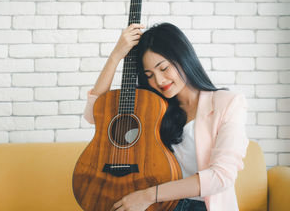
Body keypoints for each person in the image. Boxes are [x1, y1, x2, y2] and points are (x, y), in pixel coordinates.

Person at [83, 22, 249, 211]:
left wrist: (147, 195)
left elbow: (221, 176)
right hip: (159, 206)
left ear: (183, 58)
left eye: (163, 68)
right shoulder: (150, 107)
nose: (159, 81)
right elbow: (93, 114)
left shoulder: (228, 103)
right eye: (149, 75)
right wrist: (115, 57)